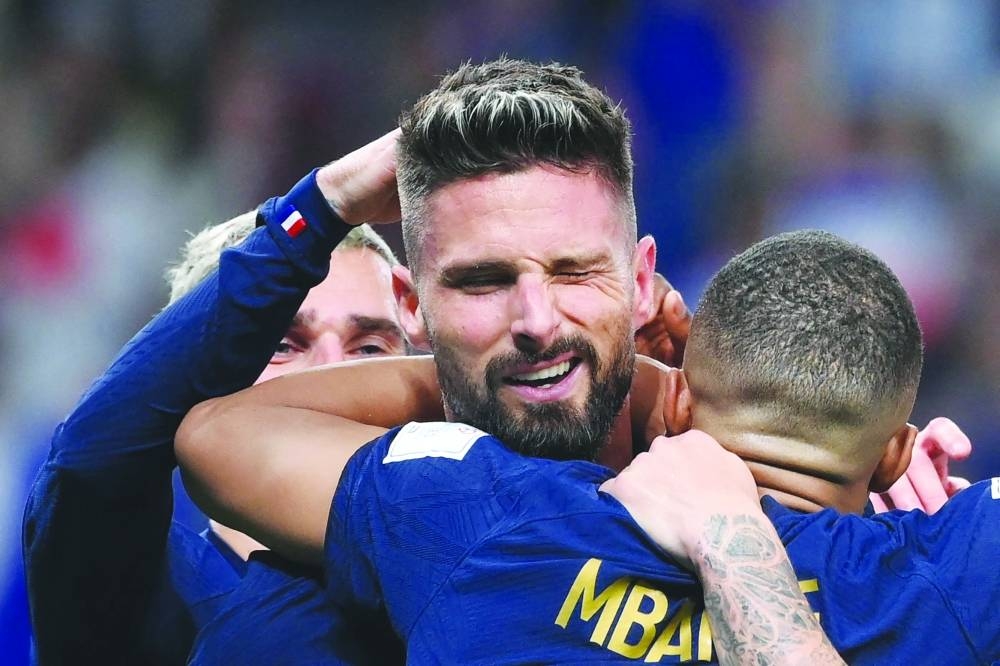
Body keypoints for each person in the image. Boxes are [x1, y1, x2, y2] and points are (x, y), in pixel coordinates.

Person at [177, 59, 847, 664]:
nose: (536, 322)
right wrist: (647, 385)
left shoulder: (790, 491)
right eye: (482, 282)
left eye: (575, 272)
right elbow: (206, 434)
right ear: (412, 306)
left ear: (642, 283)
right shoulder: (396, 526)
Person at [180, 228, 997, 664]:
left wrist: (494, 368)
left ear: (676, 397)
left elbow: (218, 432)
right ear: (896, 452)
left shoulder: (490, 517)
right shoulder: (960, 566)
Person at [22, 131, 412, 665]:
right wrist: (319, 210)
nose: (333, 373)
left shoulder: (472, 569)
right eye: (281, 344)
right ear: (188, 379)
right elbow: (89, 466)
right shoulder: (139, 593)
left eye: (369, 347)